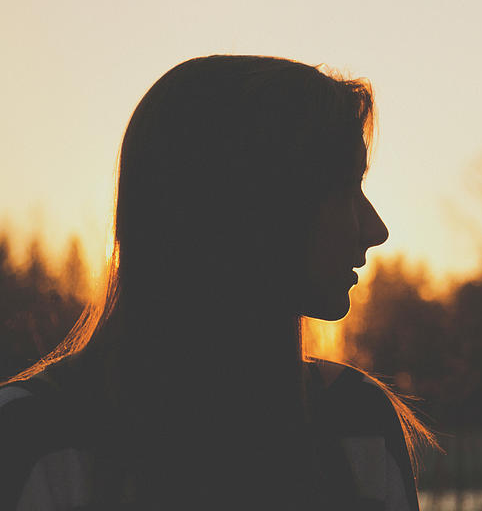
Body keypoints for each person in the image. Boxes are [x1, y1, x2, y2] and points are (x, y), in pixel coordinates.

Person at [0, 55, 434, 510]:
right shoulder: (29, 442)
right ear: (251, 207)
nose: (375, 228)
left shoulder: (357, 422)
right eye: (345, 188)